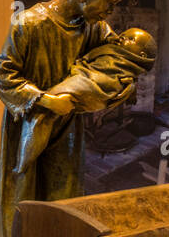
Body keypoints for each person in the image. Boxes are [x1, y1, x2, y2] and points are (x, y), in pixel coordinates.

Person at [0, 0, 136, 237]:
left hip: (68, 127)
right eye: (110, 2)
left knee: (65, 193)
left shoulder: (95, 27)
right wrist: (43, 99)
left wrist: (119, 86)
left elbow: (114, 61)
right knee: (23, 191)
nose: (111, 11)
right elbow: (4, 77)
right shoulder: (29, 22)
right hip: (28, 122)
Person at [12, 27, 156, 175]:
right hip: (88, 77)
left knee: (43, 113)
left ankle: (23, 164)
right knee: (46, 115)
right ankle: (28, 158)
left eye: (130, 39)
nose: (122, 38)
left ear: (141, 54)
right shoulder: (111, 43)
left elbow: (117, 73)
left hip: (96, 83)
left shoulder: (126, 61)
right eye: (124, 34)